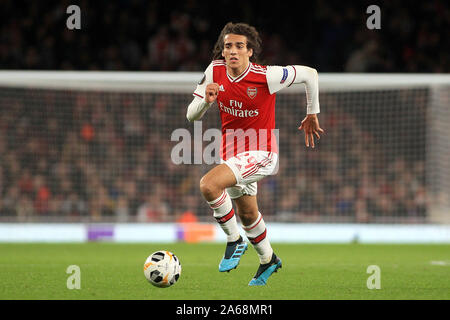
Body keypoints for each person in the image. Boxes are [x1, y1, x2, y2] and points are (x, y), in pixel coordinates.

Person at [186, 22, 324, 286]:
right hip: (232, 153)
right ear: (222, 52)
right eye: (228, 46)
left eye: (240, 46)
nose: (233, 51)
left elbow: (310, 74)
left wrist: (312, 112)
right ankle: (268, 259)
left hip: (261, 152)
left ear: (250, 51)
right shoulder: (215, 71)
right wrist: (206, 100)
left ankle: (234, 240)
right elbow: (191, 115)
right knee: (248, 214)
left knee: (209, 185)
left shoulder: (266, 76)